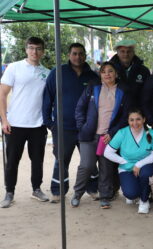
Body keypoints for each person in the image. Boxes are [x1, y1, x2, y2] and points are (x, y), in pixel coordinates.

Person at [42, 43, 99, 203]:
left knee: (89, 161)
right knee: (61, 160)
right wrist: (49, 122)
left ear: (85, 55)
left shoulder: (93, 77)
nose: (78, 57)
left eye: (81, 53)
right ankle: (57, 191)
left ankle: (93, 188)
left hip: (86, 128)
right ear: (69, 55)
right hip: (63, 127)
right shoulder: (57, 73)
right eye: (74, 53)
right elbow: (47, 98)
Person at [0, 37, 50, 208]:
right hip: (15, 124)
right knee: (12, 160)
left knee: (38, 160)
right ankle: (9, 192)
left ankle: (36, 189)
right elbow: (2, 94)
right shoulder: (14, 68)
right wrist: (4, 120)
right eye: (31, 48)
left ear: (43, 51)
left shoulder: (48, 73)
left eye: (38, 48)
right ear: (26, 49)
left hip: (38, 124)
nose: (34, 52)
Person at [71, 62, 129, 209]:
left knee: (106, 167)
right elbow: (80, 107)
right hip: (89, 135)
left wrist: (112, 133)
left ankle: (105, 196)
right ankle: (77, 193)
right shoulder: (93, 87)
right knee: (86, 166)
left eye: (110, 71)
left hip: (108, 137)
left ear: (116, 73)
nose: (107, 74)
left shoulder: (123, 90)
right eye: (103, 71)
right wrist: (82, 127)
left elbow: (124, 117)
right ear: (100, 74)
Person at [104, 108, 153, 213]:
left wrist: (139, 164)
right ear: (128, 121)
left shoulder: (151, 133)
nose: (135, 123)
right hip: (126, 167)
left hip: (144, 165)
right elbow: (107, 152)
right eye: (131, 120)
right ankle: (137, 192)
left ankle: (144, 200)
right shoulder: (122, 133)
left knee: (145, 174)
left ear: (144, 119)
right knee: (131, 193)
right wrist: (124, 162)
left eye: (138, 119)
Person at [109, 39, 150, 106]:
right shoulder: (109, 69)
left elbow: (147, 94)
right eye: (122, 51)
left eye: (129, 51)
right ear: (117, 53)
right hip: (115, 110)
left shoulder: (143, 71)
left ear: (133, 53)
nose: (126, 54)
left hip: (136, 112)